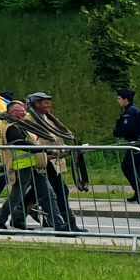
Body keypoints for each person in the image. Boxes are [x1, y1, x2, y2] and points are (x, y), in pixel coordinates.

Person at [0, 100, 68, 232]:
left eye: (23, 109)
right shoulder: (11, 127)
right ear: (11, 113)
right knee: (15, 198)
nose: (23, 111)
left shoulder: (23, 125)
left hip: (35, 165)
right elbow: (21, 143)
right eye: (19, 110)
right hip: (23, 168)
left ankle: (59, 225)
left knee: (48, 194)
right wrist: (45, 150)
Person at [26, 93, 83, 232]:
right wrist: (48, 152)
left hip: (54, 161)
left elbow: (57, 136)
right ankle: (68, 223)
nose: (48, 105)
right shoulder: (29, 120)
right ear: (36, 104)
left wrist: (64, 149)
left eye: (48, 102)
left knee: (38, 193)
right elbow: (32, 140)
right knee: (60, 191)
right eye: (44, 103)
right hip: (42, 161)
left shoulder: (50, 119)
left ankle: (18, 213)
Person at [112, 88, 140, 205]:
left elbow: (125, 129)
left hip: (137, 144)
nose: (118, 100)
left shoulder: (131, 112)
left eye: (119, 98)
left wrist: (117, 131)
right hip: (135, 144)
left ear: (126, 99)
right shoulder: (129, 110)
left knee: (138, 170)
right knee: (131, 168)